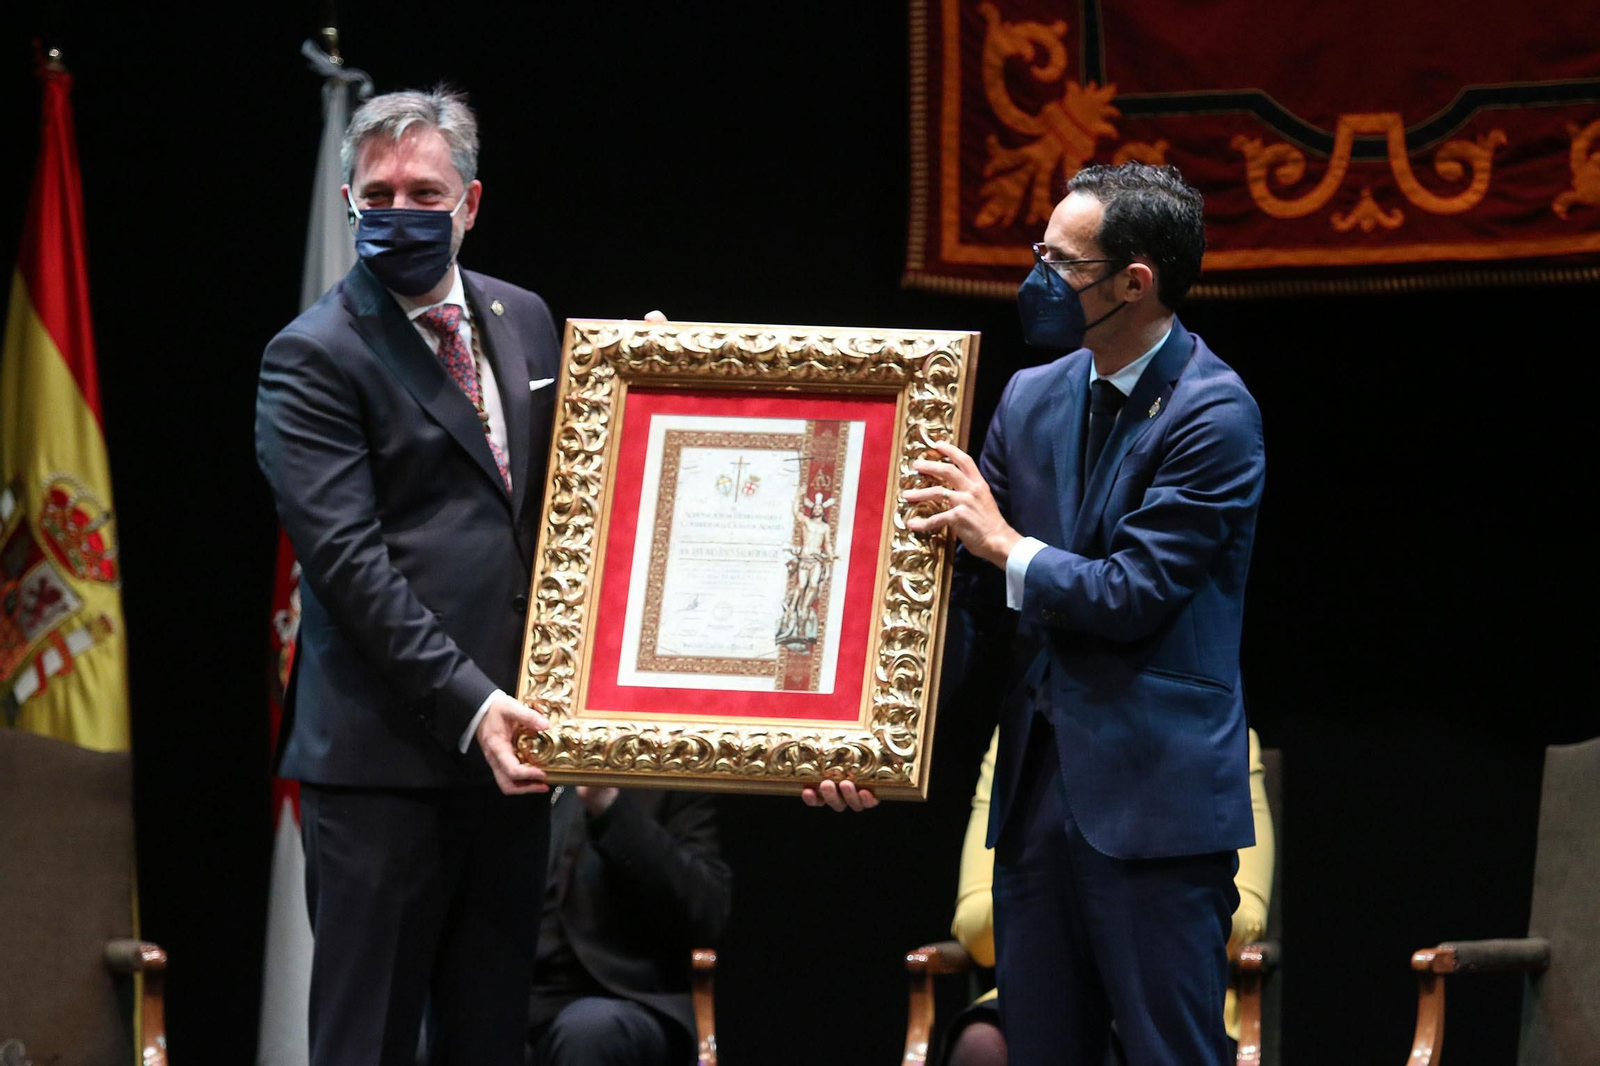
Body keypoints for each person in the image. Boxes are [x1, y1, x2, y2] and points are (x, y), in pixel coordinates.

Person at [904, 162, 1266, 1066]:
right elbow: (969, 597)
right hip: (1037, 797)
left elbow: (1132, 592)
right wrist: (877, 733)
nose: (1037, 280)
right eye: (1040, 252)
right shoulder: (1032, 395)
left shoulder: (1213, 414)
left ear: (1134, 282)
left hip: (1155, 805)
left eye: (1061, 263)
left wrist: (1004, 543)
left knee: (1168, 1054)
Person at [256, 86, 558, 1066]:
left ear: (469, 204)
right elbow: (348, 565)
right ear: (347, 197)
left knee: (487, 1038)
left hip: (512, 766)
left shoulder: (528, 319)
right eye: (376, 194)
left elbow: (566, 512)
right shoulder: (312, 356)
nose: (397, 214)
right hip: (381, 767)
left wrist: (652, 386)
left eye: (423, 193)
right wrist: (476, 705)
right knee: (366, 1044)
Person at [939, 727, 1275, 1066]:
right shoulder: (1026, 729)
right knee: (984, 1046)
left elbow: (1246, 916)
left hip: (1168, 991)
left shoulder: (1211, 730)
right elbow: (974, 925)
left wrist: (1119, 904)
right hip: (1041, 991)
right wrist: (1068, 900)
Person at [528, 786, 731, 1066]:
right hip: (521, 992)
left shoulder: (672, 778)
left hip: (622, 997)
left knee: (588, 1032)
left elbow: (705, 912)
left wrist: (610, 808)